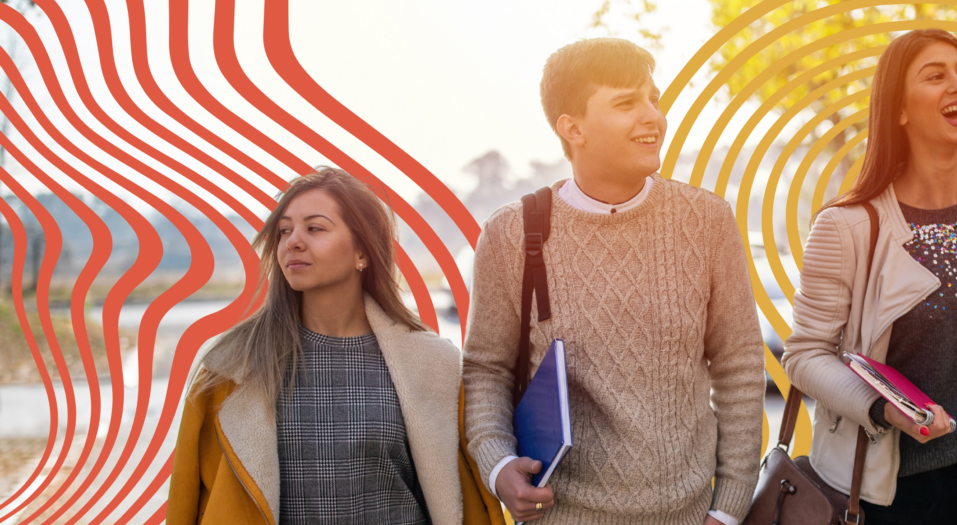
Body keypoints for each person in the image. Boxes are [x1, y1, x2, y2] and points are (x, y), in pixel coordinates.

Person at [461, 38, 764, 525]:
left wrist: (728, 508)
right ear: (572, 128)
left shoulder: (707, 220)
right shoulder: (510, 234)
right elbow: (486, 371)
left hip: (690, 515)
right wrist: (498, 466)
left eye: (654, 99)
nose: (653, 116)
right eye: (627, 103)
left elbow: (740, 368)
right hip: (560, 516)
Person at [780, 29, 957, 525]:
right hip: (883, 495)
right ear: (898, 110)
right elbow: (805, 354)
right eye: (935, 76)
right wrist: (881, 408)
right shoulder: (848, 225)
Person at [167, 167, 489, 524]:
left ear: (362, 253)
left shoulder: (434, 364)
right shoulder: (229, 367)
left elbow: (467, 502)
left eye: (315, 228)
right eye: (285, 231)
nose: (293, 241)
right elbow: (185, 505)